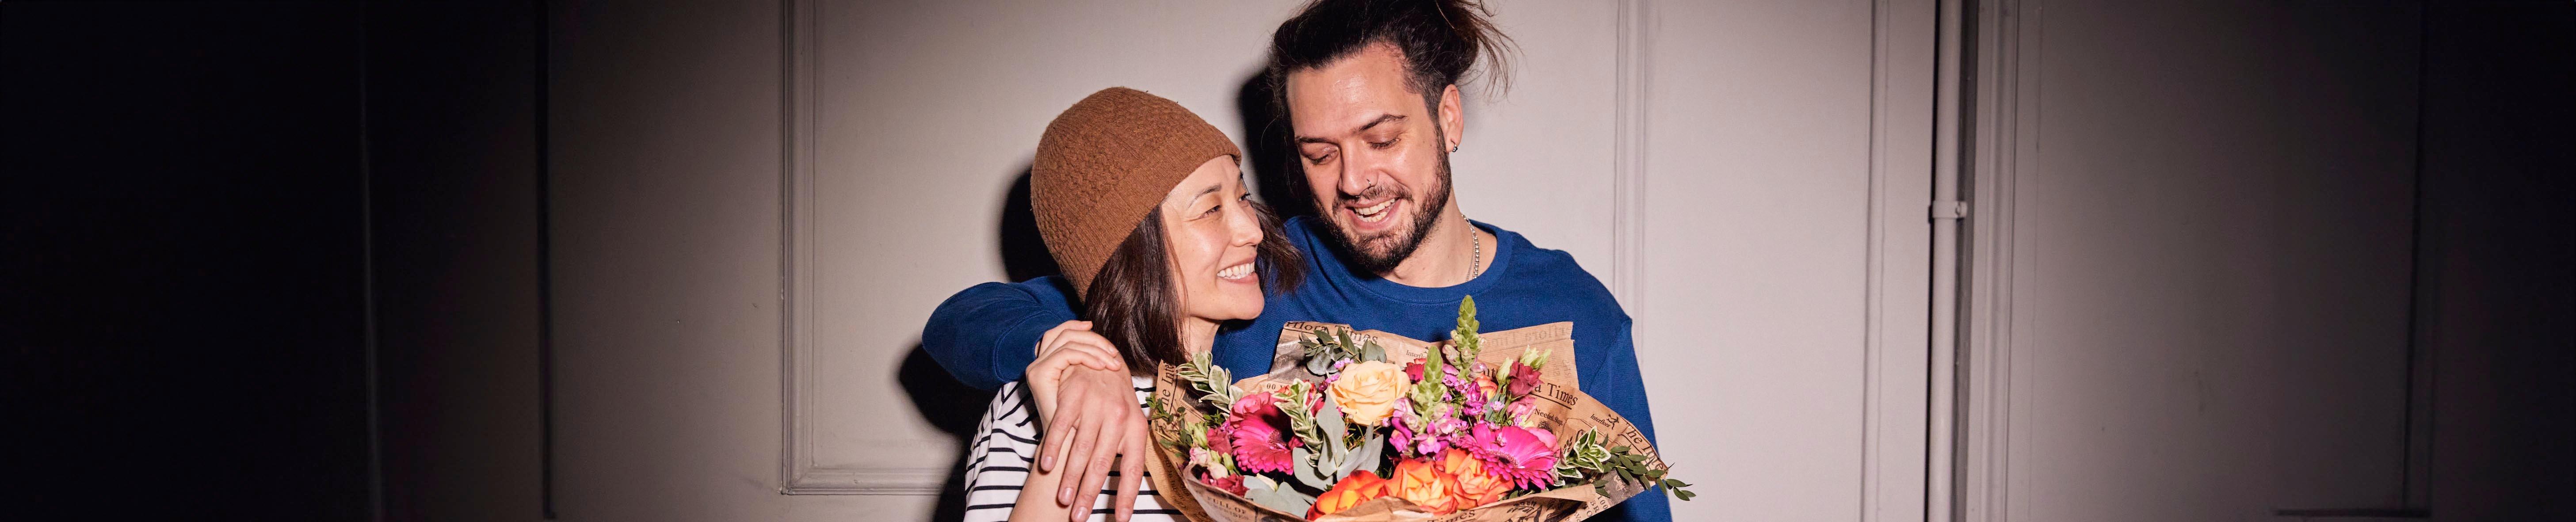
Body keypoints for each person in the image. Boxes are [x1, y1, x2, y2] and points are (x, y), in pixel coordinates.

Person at [931, 1, 1670, 522]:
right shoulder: (1267, 275)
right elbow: (976, 315)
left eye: (1381, 139)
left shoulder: (1574, 313)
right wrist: (1071, 357)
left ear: (1447, 119)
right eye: (1320, 153)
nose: (1351, 180)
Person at [960, 87, 1306, 522]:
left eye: (1241, 197)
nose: (1251, 230)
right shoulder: (1048, 405)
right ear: (1131, 251)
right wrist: (1068, 450)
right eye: (1210, 209)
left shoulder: (1256, 404)